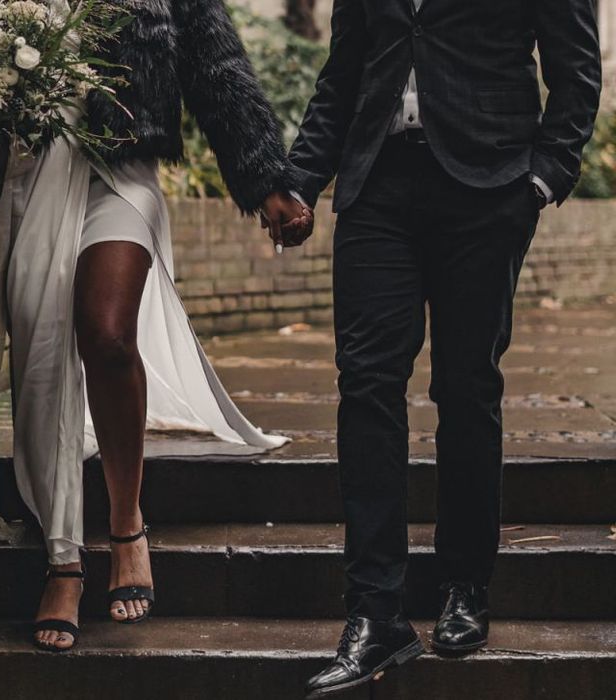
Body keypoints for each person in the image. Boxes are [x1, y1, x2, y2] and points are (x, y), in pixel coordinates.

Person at [0, 0, 310, 652]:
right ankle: (64, 558)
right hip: (31, 176)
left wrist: (265, 179)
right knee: (40, 362)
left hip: (122, 166)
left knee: (107, 334)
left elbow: (217, 67)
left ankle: (124, 523)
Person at [261, 0, 601, 696]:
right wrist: (300, 179)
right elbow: (345, 73)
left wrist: (543, 178)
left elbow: (576, 70)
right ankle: (374, 612)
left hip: (490, 187)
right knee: (365, 385)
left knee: (467, 386)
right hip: (377, 185)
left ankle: (465, 584)